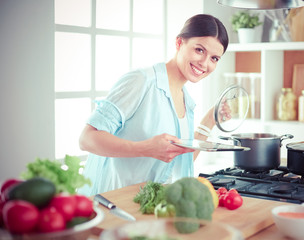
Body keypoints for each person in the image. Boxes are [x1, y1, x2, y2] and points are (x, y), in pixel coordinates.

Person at [77, 14, 229, 196]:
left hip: (150, 210)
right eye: (199, 50)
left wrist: (211, 119)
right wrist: (145, 148)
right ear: (179, 43)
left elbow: (179, 162)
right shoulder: (142, 81)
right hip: (114, 204)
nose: (204, 63)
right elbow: (86, 139)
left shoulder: (186, 101)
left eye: (214, 58)